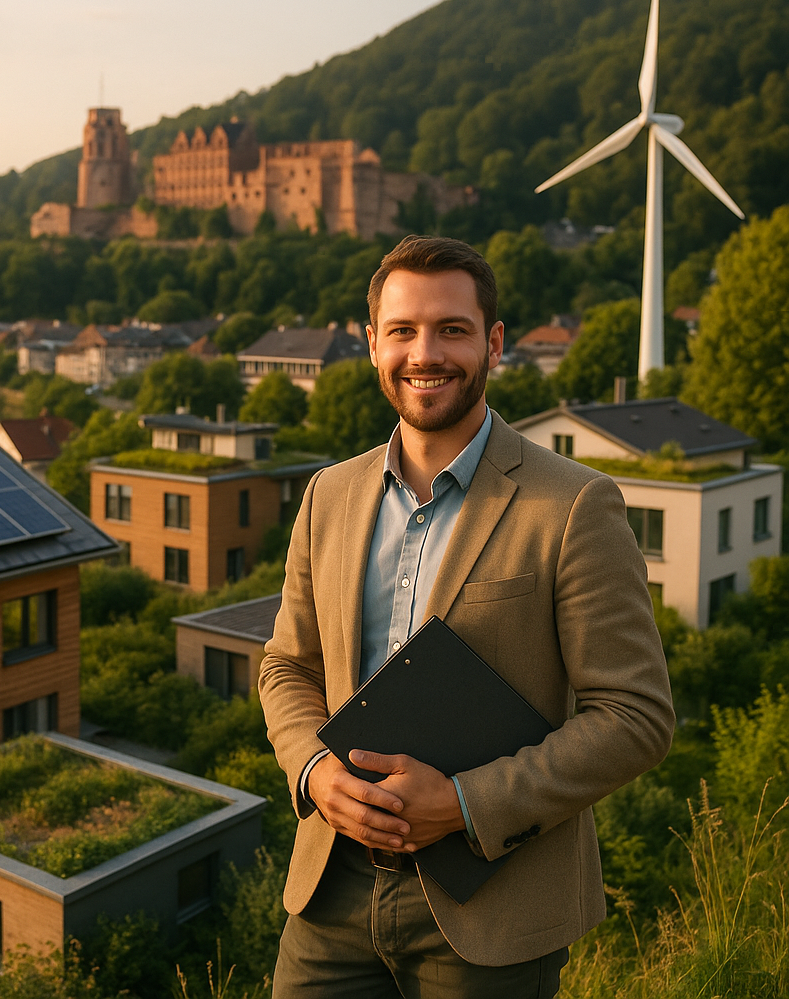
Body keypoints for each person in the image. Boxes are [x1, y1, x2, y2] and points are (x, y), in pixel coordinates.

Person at [258, 235, 675, 999]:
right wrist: (313, 771)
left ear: (494, 343)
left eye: (452, 329)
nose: (427, 353)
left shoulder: (574, 504)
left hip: (494, 902)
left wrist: (460, 804)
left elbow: (636, 716)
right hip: (331, 888)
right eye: (404, 330)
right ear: (373, 342)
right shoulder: (328, 496)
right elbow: (287, 666)